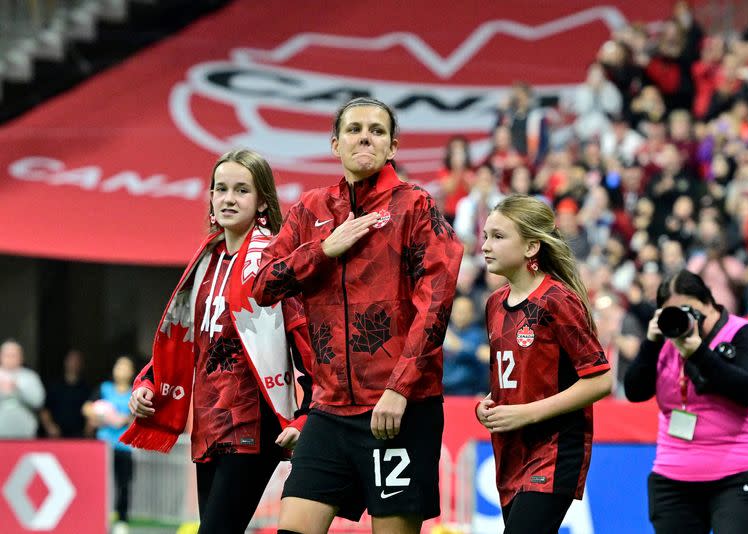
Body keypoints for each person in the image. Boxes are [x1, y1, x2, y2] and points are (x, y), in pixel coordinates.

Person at [251, 97, 463, 534]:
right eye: (354, 129)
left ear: (392, 147)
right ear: (335, 144)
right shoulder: (311, 209)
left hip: (399, 410)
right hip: (328, 410)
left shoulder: (415, 206)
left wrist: (400, 389)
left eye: (377, 130)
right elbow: (261, 285)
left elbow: (436, 302)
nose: (364, 136)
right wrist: (321, 252)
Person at [123, 149, 314, 534]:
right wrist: (147, 383)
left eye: (242, 190)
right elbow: (182, 338)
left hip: (254, 427)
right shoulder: (205, 259)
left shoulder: (275, 262)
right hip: (208, 426)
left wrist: (306, 414)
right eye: (220, 188)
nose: (228, 198)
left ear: (262, 201)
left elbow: (308, 345)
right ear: (210, 197)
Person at [475, 195, 612, 534]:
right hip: (510, 451)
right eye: (485, 236)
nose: (486, 246)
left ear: (531, 247)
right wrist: (488, 405)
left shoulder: (557, 300)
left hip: (553, 449)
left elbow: (600, 380)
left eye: (498, 236)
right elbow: (511, 377)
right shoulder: (494, 304)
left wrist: (526, 413)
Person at [624, 269, 748, 534]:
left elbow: (746, 390)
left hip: (741, 468)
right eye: (671, 312)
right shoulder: (665, 340)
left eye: (689, 311)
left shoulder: (744, 335)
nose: (684, 320)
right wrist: (651, 342)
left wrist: (697, 353)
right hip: (674, 473)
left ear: (709, 303)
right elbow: (635, 391)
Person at [84, 355, 136, 534]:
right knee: (100, 484)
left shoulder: (135, 392)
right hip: (103, 448)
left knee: (123, 484)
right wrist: (102, 416)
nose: (121, 370)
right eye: (118, 366)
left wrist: (125, 420)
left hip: (124, 447)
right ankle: (96, 518)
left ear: (131, 372)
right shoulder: (104, 389)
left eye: (125, 367)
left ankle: (121, 520)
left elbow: (137, 417)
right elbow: (87, 408)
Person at [40, 349, 92, 438]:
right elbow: (44, 409)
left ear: (82, 364)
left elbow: (90, 412)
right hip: (56, 435)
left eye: (77, 361)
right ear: (65, 362)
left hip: (78, 437)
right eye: (71, 360)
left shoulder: (87, 388)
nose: (74, 363)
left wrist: (87, 433)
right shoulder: (54, 386)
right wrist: (50, 426)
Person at [0, 339, 45, 439]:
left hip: (25, 434)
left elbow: (38, 402)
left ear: (21, 357)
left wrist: (17, 388)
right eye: (7, 355)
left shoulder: (30, 377)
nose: (10, 358)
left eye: (14, 355)